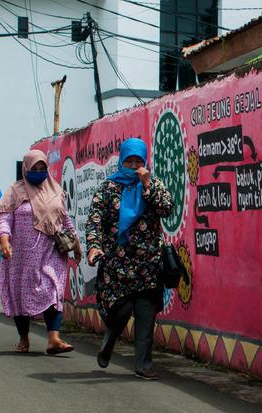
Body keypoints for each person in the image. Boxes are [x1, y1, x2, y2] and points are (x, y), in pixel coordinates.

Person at [86, 137, 173, 380]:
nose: (134, 166)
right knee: (120, 312)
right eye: (129, 161)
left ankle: (143, 365)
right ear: (122, 161)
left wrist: (148, 187)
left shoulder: (153, 184)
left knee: (146, 316)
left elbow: (166, 209)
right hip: (117, 265)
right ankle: (110, 339)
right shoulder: (108, 188)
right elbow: (95, 222)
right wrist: (94, 247)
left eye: (139, 161)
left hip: (148, 264)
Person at [0, 149, 82, 354]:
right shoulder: (15, 192)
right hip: (20, 257)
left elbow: (65, 220)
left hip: (50, 252)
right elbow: (5, 219)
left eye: (43, 168)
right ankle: (23, 339)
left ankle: (54, 339)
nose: (40, 172)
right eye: (35, 168)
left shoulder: (55, 191)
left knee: (53, 291)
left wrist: (76, 246)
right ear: (26, 168)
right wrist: (5, 241)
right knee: (21, 296)